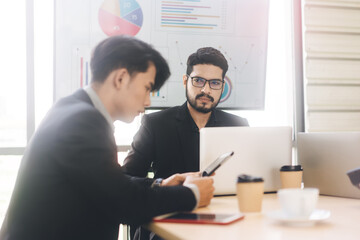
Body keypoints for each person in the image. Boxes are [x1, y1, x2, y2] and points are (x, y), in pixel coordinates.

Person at [0, 36, 214, 240]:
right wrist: (192, 194)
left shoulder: (73, 109)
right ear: (120, 78)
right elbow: (125, 204)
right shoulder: (83, 122)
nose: (148, 101)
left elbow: (109, 182)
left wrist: (159, 185)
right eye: (147, 88)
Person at [123, 47, 249, 180]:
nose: (206, 90)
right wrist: (161, 185)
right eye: (199, 81)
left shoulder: (238, 126)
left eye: (215, 83)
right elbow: (127, 179)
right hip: (172, 200)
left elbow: (249, 175)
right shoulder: (155, 124)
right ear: (185, 81)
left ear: (222, 87)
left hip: (225, 200)